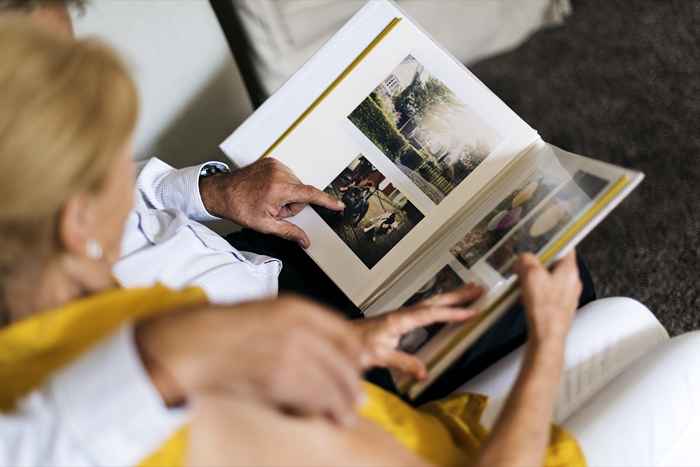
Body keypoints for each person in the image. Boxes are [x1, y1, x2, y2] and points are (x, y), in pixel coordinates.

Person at [0, 0, 598, 400]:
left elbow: (130, 189)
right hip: (264, 368)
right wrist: (339, 348)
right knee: (537, 283)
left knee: (502, 228)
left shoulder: (42, 167)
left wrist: (213, 191)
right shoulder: (78, 365)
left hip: (256, 262)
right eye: (52, 71)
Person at [0, 17, 489, 466]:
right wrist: (170, 353)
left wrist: (211, 192)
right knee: (499, 313)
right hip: (275, 365)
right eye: (112, 166)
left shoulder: (42, 216)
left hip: (266, 269)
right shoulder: (139, 371)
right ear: (77, 219)